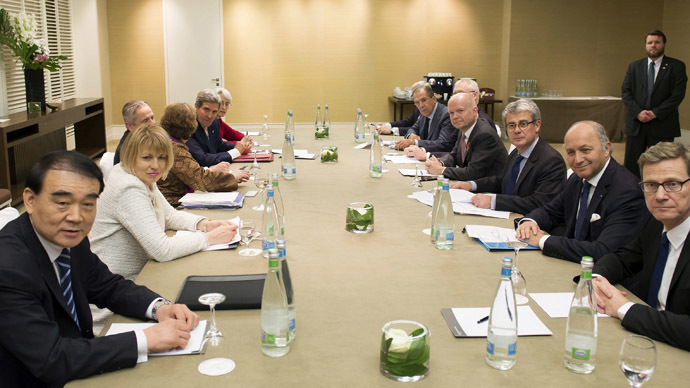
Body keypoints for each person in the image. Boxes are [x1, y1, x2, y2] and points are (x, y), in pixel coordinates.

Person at [0, 150, 200, 387]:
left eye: (87, 204)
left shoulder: (68, 238)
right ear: (30, 200)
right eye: (62, 203)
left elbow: (106, 285)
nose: (76, 216)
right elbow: (51, 358)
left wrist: (160, 308)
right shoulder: (8, 267)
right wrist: (143, 339)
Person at [91, 122, 238, 282]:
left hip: (139, 277)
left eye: (162, 158)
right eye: (147, 157)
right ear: (131, 156)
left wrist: (205, 224)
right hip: (119, 291)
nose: (155, 165)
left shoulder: (139, 174)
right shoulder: (128, 188)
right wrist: (209, 238)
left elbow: (168, 216)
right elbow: (162, 250)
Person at [593, 142, 690, 351]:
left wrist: (624, 308)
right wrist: (596, 281)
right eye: (651, 185)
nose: (660, 196)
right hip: (645, 343)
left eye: (673, 184)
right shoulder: (656, 224)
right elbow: (622, 259)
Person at [516, 121, 649, 263]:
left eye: (585, 150)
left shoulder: (627, 191)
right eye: (571, 152)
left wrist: (543, 240)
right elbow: (551, 211)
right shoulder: (577, 178)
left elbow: (603, 251)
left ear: (606, 148)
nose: (578, 160)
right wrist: (530, 222)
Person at [451, 98, 566, 215]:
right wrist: (471, 185)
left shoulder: (551, 161)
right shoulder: (516, 153)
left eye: (523, 124)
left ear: (537, 125)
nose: (517, 130)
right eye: (511, 125)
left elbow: (539, 203)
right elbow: (500, 181)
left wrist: (494, 201)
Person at [622, 29, 687, 178]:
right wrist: (638, 112)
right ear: (645, 45)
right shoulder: (634, 67)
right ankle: (630, 194)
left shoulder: (676, 66)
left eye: (657, 42)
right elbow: (626, 92)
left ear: (663, 44)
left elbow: (677, 96)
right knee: (632, 165)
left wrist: (655, 113)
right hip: (637, 124)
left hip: (662, 124)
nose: (653, 45)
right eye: (650, 42)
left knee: (661, 164)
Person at [157, 102, 250, 206]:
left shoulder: (168, 141)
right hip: (173, 204)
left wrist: (211, 171)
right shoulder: (174, 149)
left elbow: (190, 172)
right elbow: (200, 179)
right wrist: (232, 177)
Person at [406, 78, 497, 161]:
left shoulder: (482, 124)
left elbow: (473, 169)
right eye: (454, 94)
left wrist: (426, 155)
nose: (455, 116)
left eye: (460, 93)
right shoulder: (464, 120)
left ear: (475, 96)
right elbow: (455, 154)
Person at [424, 92, 507, 181]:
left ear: (475, 111)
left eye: (460, 111)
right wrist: (440, 162)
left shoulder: (484, 135)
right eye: (451, 113)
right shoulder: (464, 128)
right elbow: (454, 155)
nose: (455, 116)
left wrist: (441, 170)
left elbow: (472, 173)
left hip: (489, 189)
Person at [382, 82, 456, 152]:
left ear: (434, 99)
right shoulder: (425, 113)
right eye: (417, 103)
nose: (421, 105)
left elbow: (443, 144)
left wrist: (415, 143)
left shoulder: (446, 115)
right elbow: (413, 128)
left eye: (424, 100)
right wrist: (412, 134)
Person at [186, 89, 249, 167]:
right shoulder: (187, 126)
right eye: (206, 109)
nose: (210, 116)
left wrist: (240, 146)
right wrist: (236, 151)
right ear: (196, 107)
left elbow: (218, 145)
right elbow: (202, 159)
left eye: (214, 112)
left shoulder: (215, 122)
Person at [113, 100, 155, 165]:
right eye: (145, 120)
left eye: (152, 118)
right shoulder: (127, 151)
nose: (152, 123)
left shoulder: (147, 138)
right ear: (130, 126)